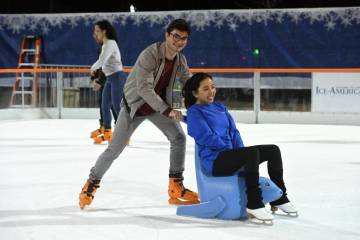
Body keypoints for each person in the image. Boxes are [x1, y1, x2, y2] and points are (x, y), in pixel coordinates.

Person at [79, 19, 199, 209]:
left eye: (184, 38)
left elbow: (190, 84)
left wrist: (199, 101)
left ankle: (175, 185)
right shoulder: (150, 54)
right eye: (176, 36)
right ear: (167, 35)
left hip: (157, 107)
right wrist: (168, 110)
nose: (180, 42)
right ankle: (91, 183)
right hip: (134, 108)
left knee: (178, 137)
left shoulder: (180, 60)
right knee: (114, 149)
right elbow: (144, 89)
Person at [182, 72, 298, 221]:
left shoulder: (220, 107)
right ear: (195, 93)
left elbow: (234, 132)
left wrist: (239, 152)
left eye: (213, 87)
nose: (211, 91)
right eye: (205, 89)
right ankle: (254, 203)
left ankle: (279, 198)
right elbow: (206, 137)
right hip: (214, 161)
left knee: (272, 150)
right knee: (251, 154)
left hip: (229, 156)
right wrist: (233, 152)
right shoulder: (194, 112)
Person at [90, 20, 127, 144]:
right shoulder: (106, 45)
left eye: (97, 31)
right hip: (110, 78)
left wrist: (93, 68)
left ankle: (125, 134)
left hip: (117, 77)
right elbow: (103, 62)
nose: (95, 34)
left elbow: (102, 60)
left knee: (117, 107)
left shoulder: (111, 43)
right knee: (104, 105)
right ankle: (108, 132)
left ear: (104, 31)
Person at [89, 46, 118, 141]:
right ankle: (104, 128)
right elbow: (101, 68)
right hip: (105, 85)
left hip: (112, 84)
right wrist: (95, 76)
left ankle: (121, 132)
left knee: (113, 107)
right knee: (103, 106)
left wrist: (99, 82)